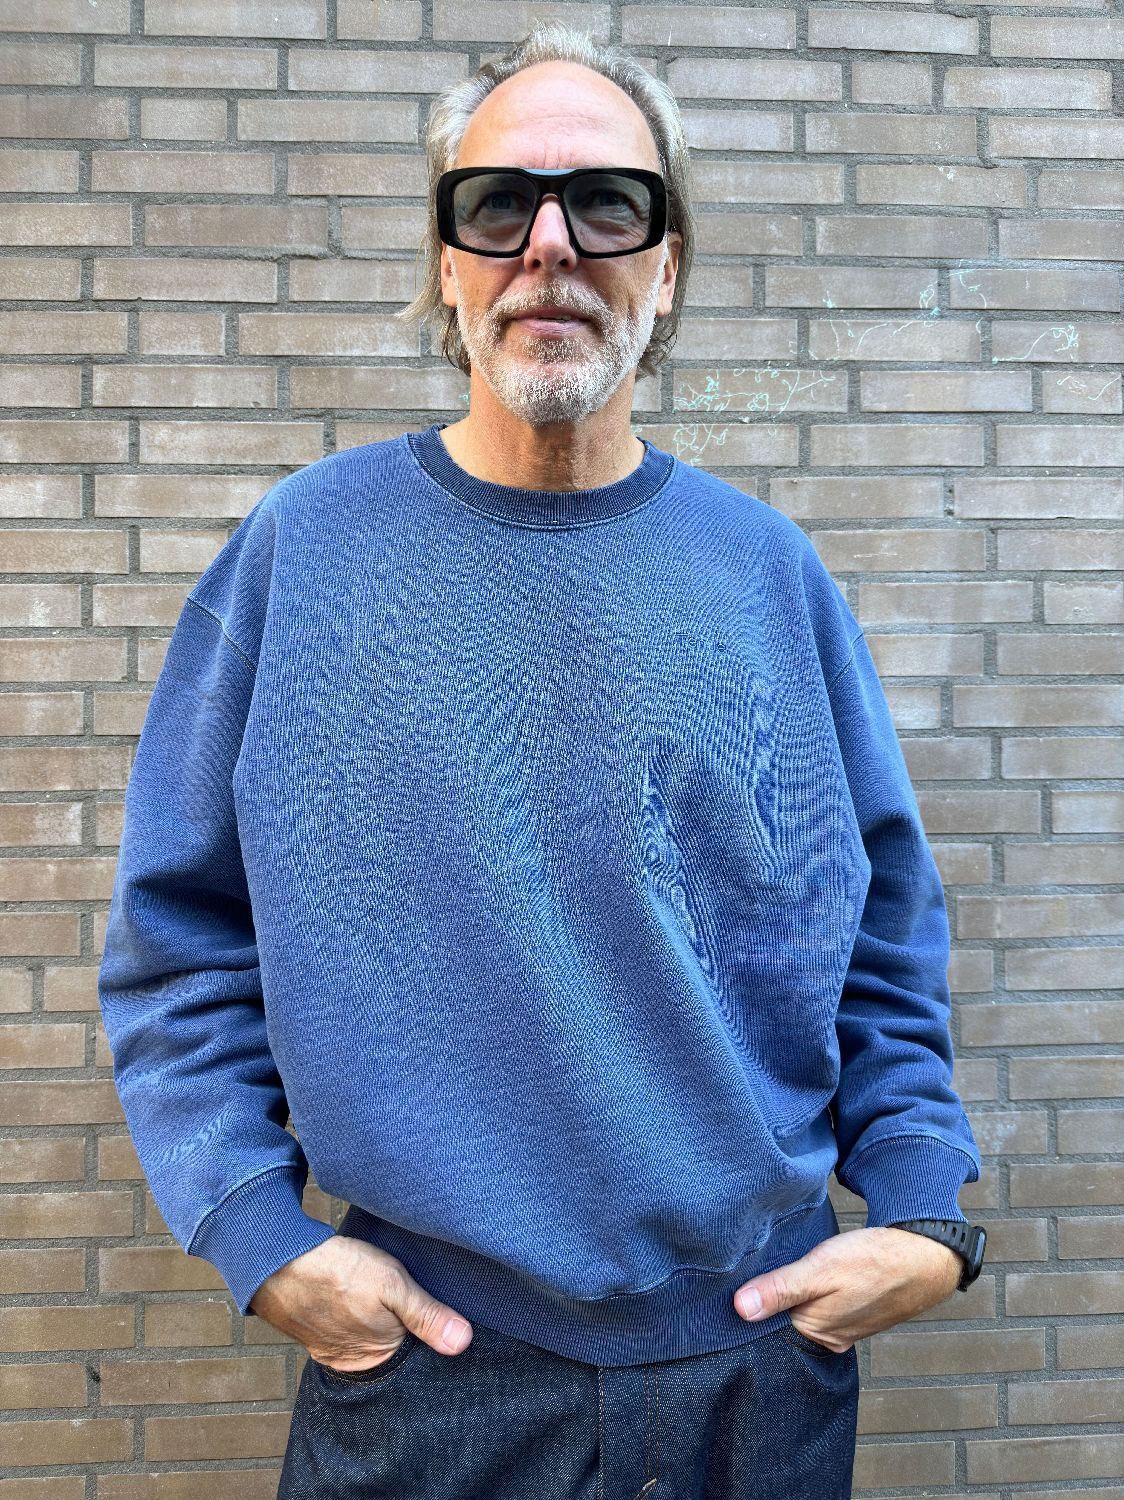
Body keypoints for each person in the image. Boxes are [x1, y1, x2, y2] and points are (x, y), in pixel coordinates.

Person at [96, 21, 985, 1499]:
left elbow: (879, 937)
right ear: (447, 266)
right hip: (426, 1376)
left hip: (754, 1367)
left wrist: (922, 1206)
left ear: (668, 267)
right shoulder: (304, 556)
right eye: (498, 204)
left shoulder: (768, 577)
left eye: (607, 205)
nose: (550, 247)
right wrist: (259, 1228)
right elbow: (179, 937)